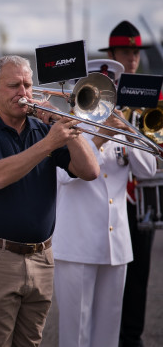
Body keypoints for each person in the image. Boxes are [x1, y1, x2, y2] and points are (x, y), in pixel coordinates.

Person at [0, 55, 100, 346]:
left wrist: (66, 126)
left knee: (30, 342)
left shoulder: (42, 129)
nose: (23, 93)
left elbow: (90, 171)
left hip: (41, 256)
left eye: (27, 85)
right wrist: (48, 143)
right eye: (13, 86)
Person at [53, 59, 157, 347]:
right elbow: (64, 177)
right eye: (98, 92)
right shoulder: (67, 128)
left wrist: (128, 130)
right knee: (76, 334)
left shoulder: (123, 127)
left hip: (117, 247)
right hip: (77, 247)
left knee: (108, 334)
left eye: (109, 92)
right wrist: (100, 139)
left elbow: (147, 171)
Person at [98, 20, 158, 347]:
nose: (131, 58)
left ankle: (131, 338)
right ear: (112, 54)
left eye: (135, 52)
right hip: (108, 191)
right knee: (107, 274)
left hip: (141, 196)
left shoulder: (153, 92)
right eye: (125, 52)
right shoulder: (98, 88)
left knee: (139, 275)